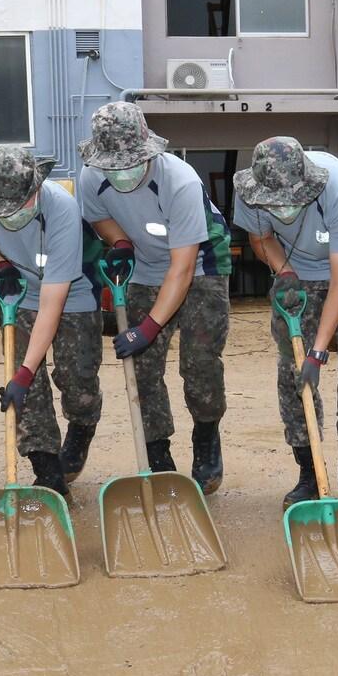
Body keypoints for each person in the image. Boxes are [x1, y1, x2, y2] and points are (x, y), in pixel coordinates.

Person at [78, 102, 232, 493]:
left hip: (201, 266)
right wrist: (121, 241)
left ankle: (206, 436)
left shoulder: (179, 180)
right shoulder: (90, 178)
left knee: (200, 363)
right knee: (142, 369)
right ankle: (158, 451)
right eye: (113, 165)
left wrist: (148, 327)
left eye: (130, 162)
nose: (122, 172)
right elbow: (98, 217)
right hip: (144, 270)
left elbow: (181, 269)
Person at [232, 136, 338, 509]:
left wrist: (318, 351)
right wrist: (284, 272)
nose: (283, 208)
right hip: (293, 267)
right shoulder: (248, 189)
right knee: (292, 372)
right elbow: (261, 237)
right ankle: (308, 471)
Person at [0, 146, 103, 496]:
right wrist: (1, 265)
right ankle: (48, 472)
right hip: (19, 292)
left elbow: (52, 303)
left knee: (76, 376)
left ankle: (82, 426)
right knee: (26, 389)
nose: (9, 214)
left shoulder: (61, 209)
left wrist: (26, 370)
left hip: (70, 292)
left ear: (35, 190)